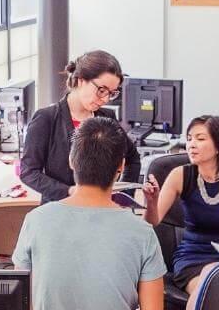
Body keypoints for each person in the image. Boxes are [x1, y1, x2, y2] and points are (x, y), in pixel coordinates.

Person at [13, 116, 165, 310]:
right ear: (121, 166)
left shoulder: (35, 220)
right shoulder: (142, 232)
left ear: (72, 160)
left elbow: (27, 307)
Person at [143, 114, 219, 310]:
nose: (191, 144)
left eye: (200, 138)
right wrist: (151, 202)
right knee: (210, 287)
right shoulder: (180, 175)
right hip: (192, 259)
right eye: (189, 138)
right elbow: (153, 222)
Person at [19, 50, 141, 201]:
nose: (105, 99)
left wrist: (124, 198)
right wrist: (69, 191)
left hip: (100, 212)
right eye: (101, 90)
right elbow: (28, 172)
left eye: (112, 93)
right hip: (59, 210)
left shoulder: (107, 118)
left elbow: (133, 158)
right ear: (81, 80)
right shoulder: (46, 118)